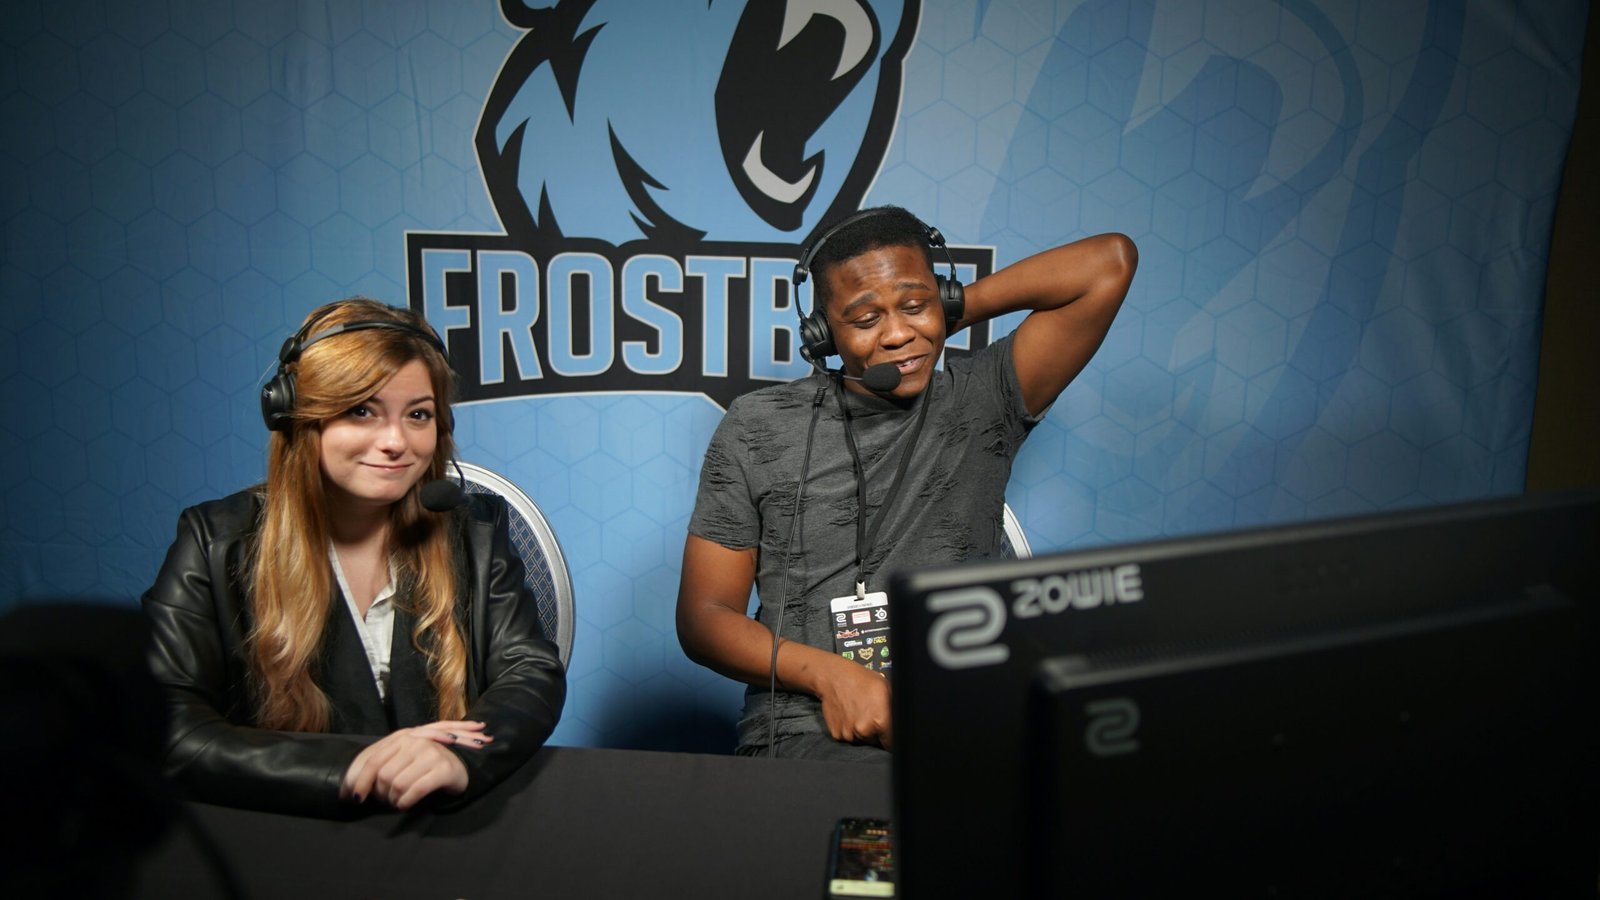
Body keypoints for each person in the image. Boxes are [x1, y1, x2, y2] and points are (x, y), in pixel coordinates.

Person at [677, 207, 1136, 760]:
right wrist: (831, 677)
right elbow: (705, 617)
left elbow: (1108, 264)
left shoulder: (985, 398)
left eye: (914, 306)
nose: (898, 334)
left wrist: (949, 313)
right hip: (810, 726)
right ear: (822, 333)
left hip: (965, 722)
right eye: (866, 319)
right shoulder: (758, 425)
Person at [141, 299, 565, 815]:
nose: (395, 441)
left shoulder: (474, 529)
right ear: (298, 416)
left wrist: (461, 759)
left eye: (418, 415)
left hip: (441, 823)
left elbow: (529, 671)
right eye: (361, 410)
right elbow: (168, 722)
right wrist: (352, 765)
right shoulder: (214, 541)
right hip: (292, 827)